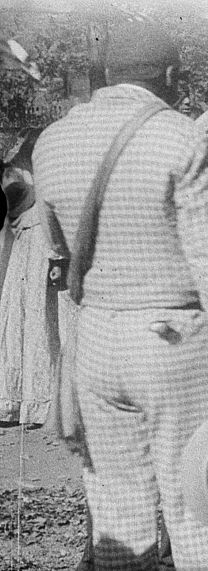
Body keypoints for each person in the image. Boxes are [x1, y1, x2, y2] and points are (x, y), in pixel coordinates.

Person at [33, 22, 208, 569]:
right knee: (201, 509)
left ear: (108, 73)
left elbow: (55, 247)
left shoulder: (54, 140)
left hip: (93, 340)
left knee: (117, 509)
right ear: (169, 76)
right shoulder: (177, 135)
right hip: (173, 344)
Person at [0, 128, 56, 425]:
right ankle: (25, 398)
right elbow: (16, 205)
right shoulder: (16, 177)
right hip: (31, 246)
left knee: (39, 318)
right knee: (30, 317)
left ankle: (36, 399)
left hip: (37, 245)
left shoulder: (28, 176)